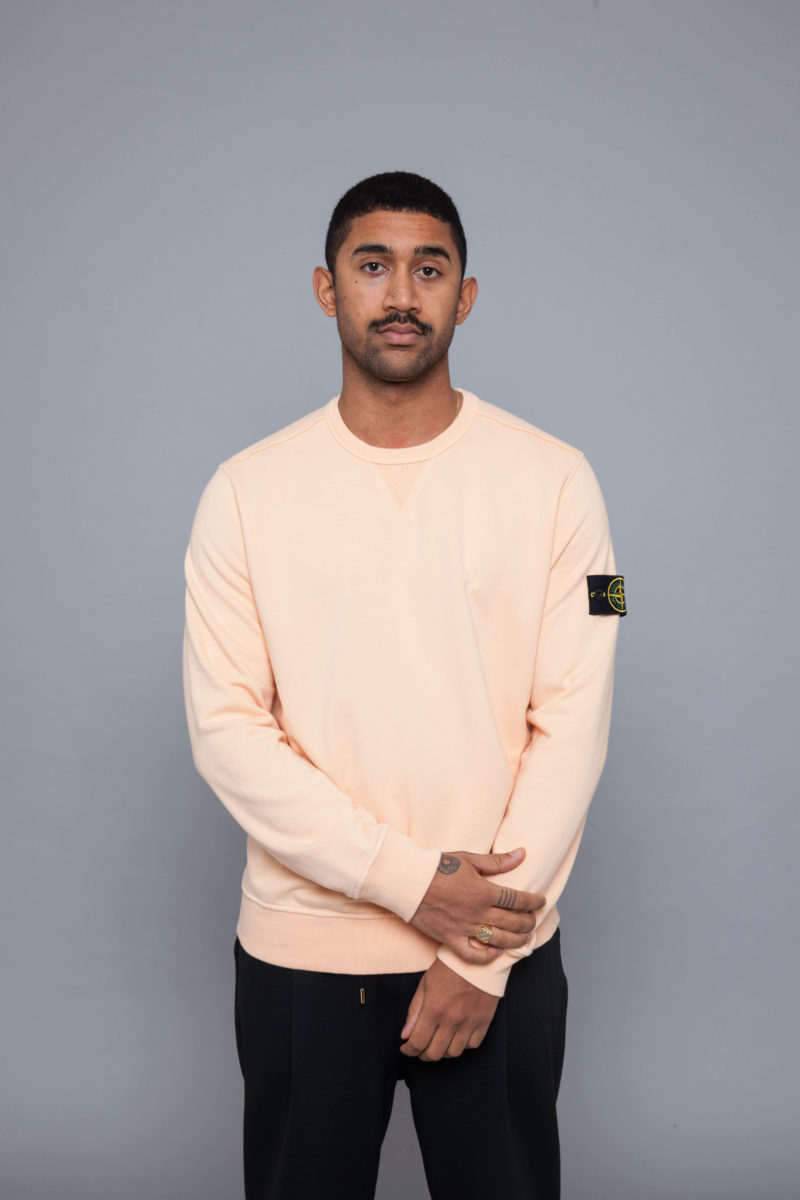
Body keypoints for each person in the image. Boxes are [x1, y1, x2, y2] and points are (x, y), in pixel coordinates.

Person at [182, 170, 625, 1200]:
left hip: (495, 959)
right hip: (305, 954)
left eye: (429, 270)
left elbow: (576, 721)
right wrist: (417, 885)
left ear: (464, 296)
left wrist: (476, 954)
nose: (399, 294)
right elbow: (227, 732)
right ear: (324, 288)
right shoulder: (243, 492)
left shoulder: (559, 482)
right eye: (371, 265)